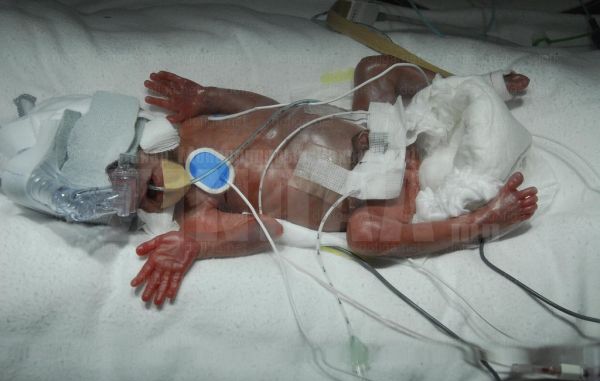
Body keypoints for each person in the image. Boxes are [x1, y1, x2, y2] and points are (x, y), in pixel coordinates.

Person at [122, 55, 538, 306]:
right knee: (365, 237)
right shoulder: (196, 214)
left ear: (146, 142)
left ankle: (469, 90)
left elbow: (271, 111)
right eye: (150, 200)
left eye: (150, 179)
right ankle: (480, 223)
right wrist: (199, 245)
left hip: (378, 131)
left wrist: (208, 96)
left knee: (376, 69)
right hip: (371, 195)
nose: (161, 192)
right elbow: (265, 228)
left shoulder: (195, 124)